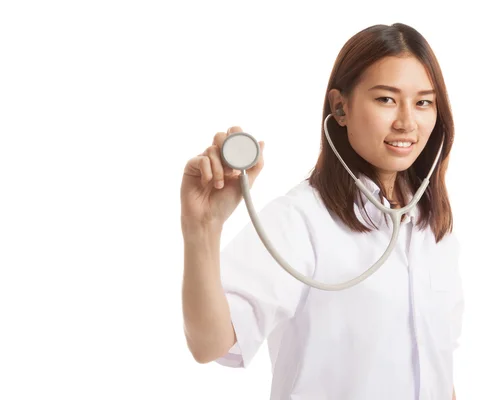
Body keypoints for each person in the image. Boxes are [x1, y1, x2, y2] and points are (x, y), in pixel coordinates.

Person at [180, 23, 464, 400]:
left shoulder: (433, 226)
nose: (407, 122)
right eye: (386, 99)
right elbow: (210, 343)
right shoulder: (299, 220)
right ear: (340, 107)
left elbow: (435, 368)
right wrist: (202, 229)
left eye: (423, 102)